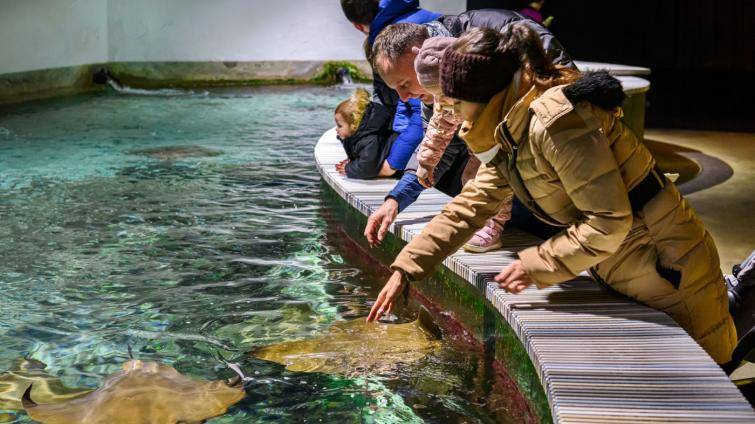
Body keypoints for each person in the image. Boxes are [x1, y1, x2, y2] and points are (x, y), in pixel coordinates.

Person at [368, 25, 737, 366]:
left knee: (705, 368)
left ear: (484, 97)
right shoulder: (514, 125)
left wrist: (536, 263)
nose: (456, 117)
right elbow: (474, 202)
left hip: (667, 262)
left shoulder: (556, 123)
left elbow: (608, 221)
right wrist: (406, 268)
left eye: (456, 103)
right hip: (631, 262)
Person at [365, 14, 572, 251]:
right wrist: (395, 200)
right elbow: (438, 142)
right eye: (395, 90)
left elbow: (563, 96)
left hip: (548, 124)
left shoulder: (486, 44)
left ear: (418, 54)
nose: (403, 97)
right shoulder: (435, 79)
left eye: (404, 84)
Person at [340, 0, 441, 177]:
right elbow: (386, 100)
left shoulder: (395, 46)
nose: (402, 95)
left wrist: (392, 163)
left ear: (357, 26)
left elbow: (424, 113)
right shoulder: (411, 14)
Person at [334, 88, 397, 179]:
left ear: (353, 125)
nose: (336, 129)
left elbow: (368, 168)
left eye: (340, 126)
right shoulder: (357, 138)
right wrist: (353, 161)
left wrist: (348, 169)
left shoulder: (369, 140)